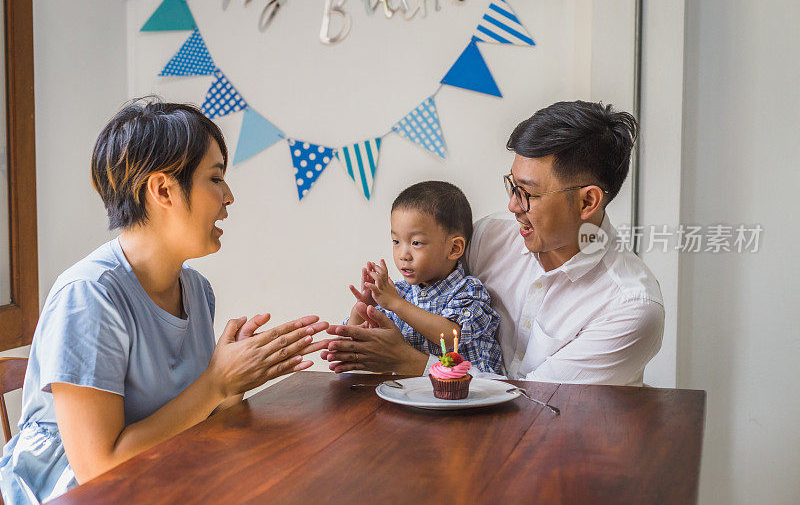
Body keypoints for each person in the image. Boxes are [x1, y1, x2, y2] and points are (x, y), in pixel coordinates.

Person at [0, 99, 329, 504]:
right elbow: (98, 470)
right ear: (163, 190)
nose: (229, 197)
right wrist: (215, 382)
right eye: (215, 178)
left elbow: (186, 417)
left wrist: (233, 384)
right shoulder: (87, 297)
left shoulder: (196, 289)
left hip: (161, 476)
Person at [324, 100, 664, 386]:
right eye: (511, 186)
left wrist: (410, 362)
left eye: (528, 193)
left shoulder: (630, 307)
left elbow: (537, 402)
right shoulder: (490, 237)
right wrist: (371, 324)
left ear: (588, 202)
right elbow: (432, 298)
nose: (513, 206)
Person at [341, 181, 501, 374]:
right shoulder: (397, 292)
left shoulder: (468, 290)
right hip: (405, 395)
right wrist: (362, 308)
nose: (403, 254)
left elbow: (451, 336)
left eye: (416, 242)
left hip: (467, 396)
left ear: (454, 248)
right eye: (396, 241)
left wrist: (396, 303)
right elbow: (355, 347)